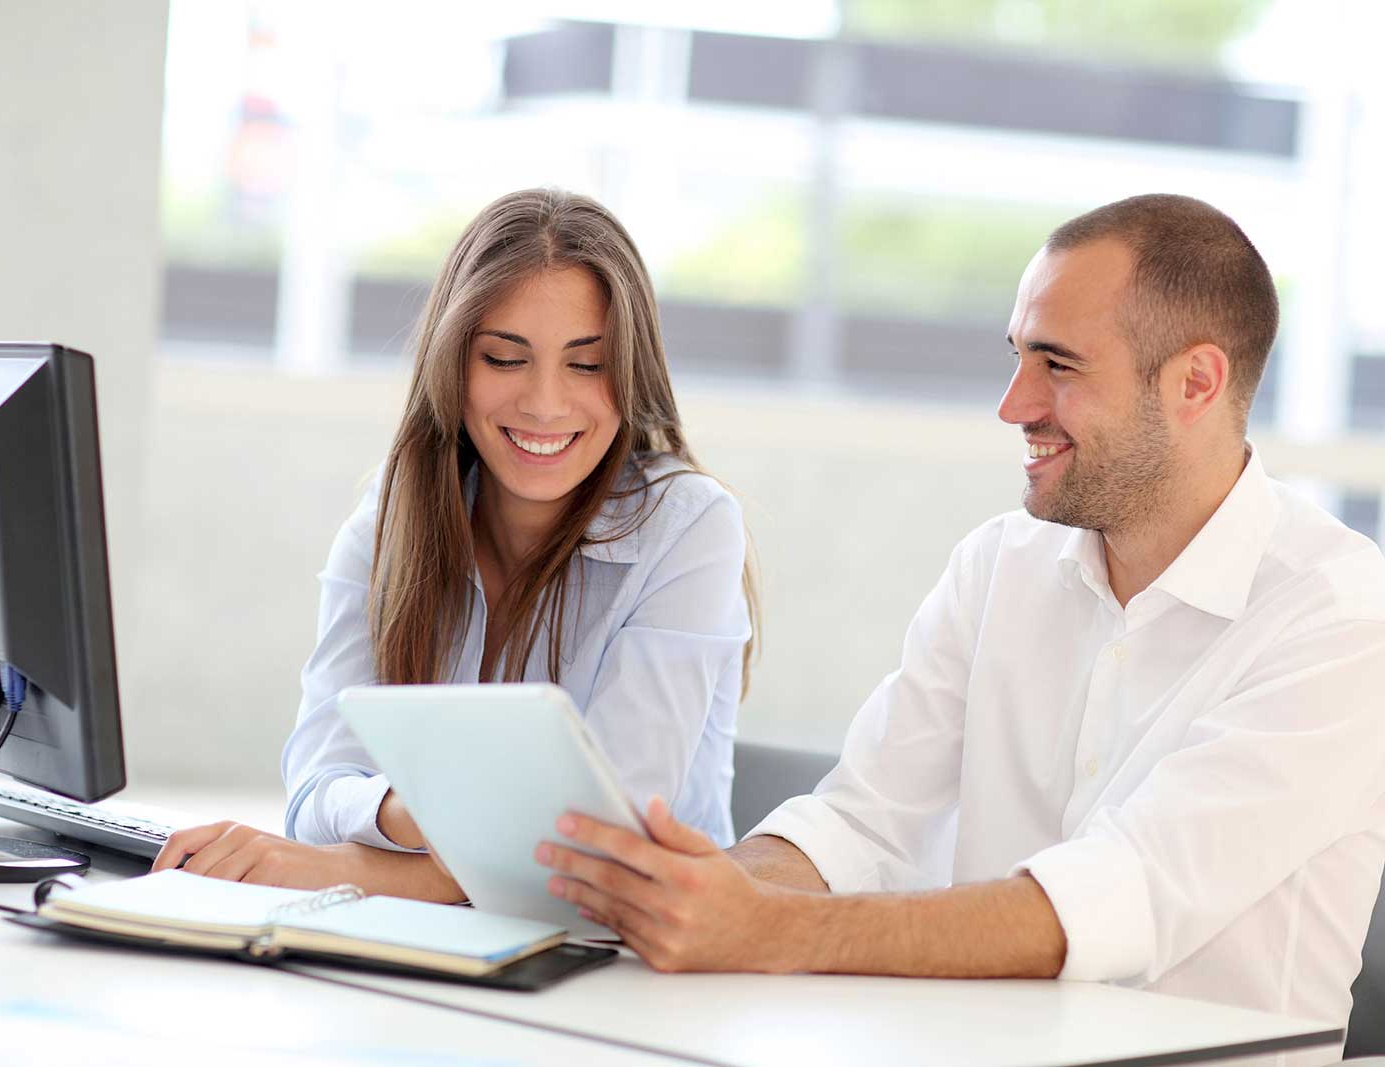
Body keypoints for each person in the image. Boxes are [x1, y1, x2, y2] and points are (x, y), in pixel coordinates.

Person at [538, 194, 1385, 1038]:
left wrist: (765, 928)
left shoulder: (1339, 616)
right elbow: (860, 822)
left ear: (1195, 382)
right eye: (1017, 357)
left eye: (1058, 365)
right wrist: (698, 889)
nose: (1014, 404)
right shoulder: (1000, 566)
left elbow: (1123, 895)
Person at [153, 188, 759, 901]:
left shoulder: (689, 525)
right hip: (444, 946)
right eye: (505, 358)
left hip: (625, 967)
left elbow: (601, 855)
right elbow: (316, 789)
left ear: (632, 374)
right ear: (453, 362)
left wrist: (346, 864)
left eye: (586, 365)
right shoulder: (394, 511)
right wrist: (405, 811)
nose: (544, 403)